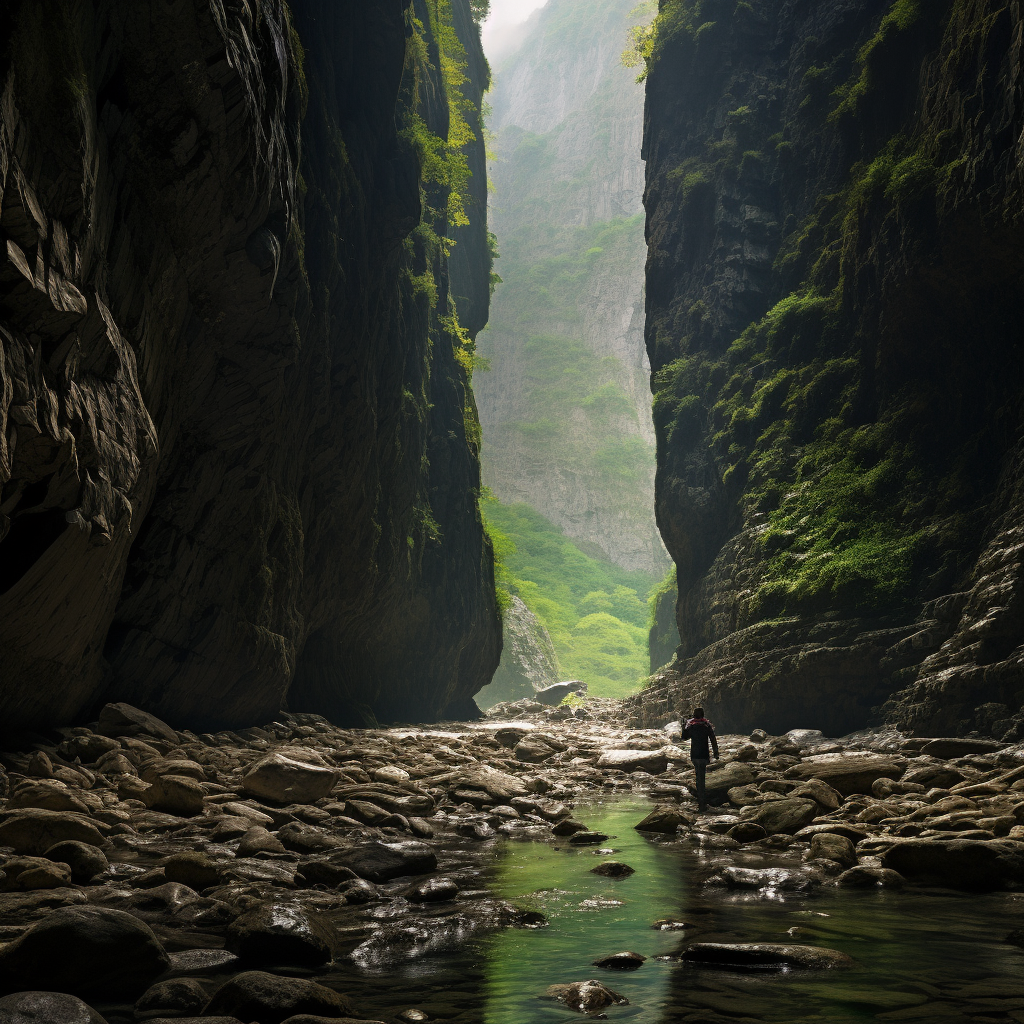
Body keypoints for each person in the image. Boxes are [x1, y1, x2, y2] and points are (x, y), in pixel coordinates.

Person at [683, 706, 718, 811]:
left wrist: (683, 725)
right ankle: (702, 804)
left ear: (694, 715)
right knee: (702, 778)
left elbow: (684, 737)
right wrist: (716, 753)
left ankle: (701, 803)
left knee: (698, 778)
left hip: (695, 755)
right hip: (704, 755)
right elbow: (713, 739)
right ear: (703, 715)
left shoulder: (691, 726)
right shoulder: (706, 725)